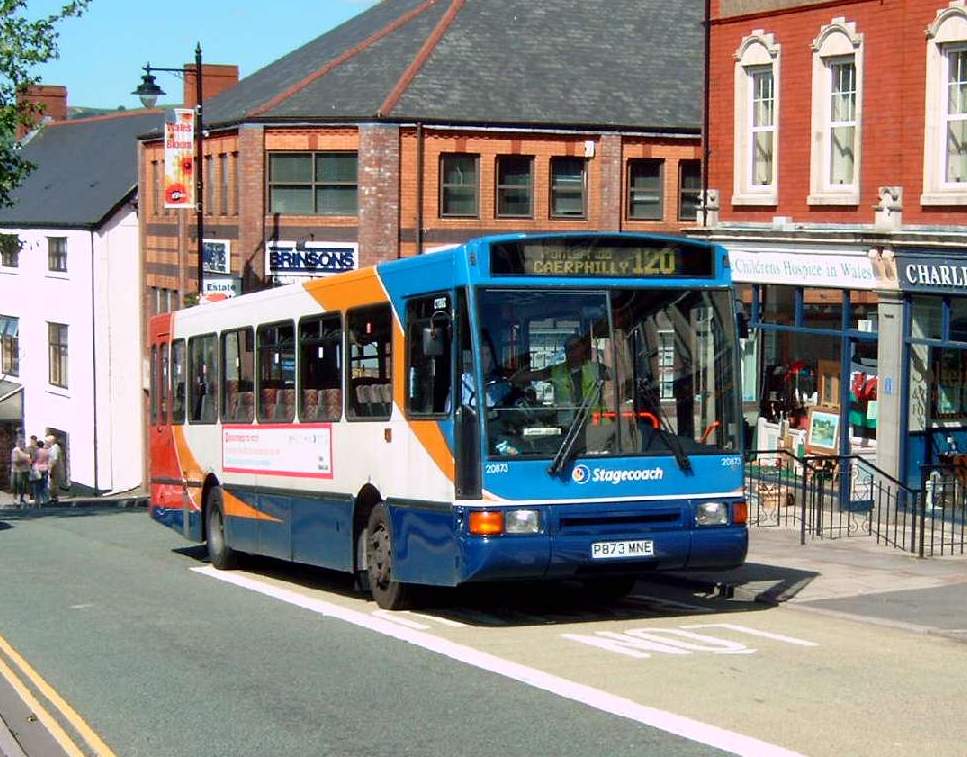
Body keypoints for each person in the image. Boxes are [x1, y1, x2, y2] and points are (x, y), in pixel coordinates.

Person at [9, 439, 30, 507]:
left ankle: (22, 499)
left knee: (23, 486)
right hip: (16, 471)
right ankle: (15, 499)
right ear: (17, 444)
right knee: (15, 485)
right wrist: (25, 459)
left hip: (24, 470)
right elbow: (16, 461)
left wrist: (24, 458)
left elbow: (29, 459)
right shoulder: (15, 450)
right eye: (20, 443)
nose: (22, 445)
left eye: (23, 443)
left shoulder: (26, 450)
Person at [30, 439, 49, 507]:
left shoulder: (37, 451)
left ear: (37, 445)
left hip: (37, 469)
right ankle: (45, 499)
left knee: (36, 486)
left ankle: (37, 500)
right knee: (44, 485)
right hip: (45, 468)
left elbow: (33, 460)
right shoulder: (47, 451)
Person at [46, 434, 63, 504]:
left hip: (54, 469)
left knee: (52, 484)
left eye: (47, 441)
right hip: (54, 468)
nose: (46, 442)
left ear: (51, 441)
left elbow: (54, 460)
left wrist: (50, 469)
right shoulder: (52, 448)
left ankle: (54, 498)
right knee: (52, 484)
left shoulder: (55, 448)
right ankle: (53, 497)